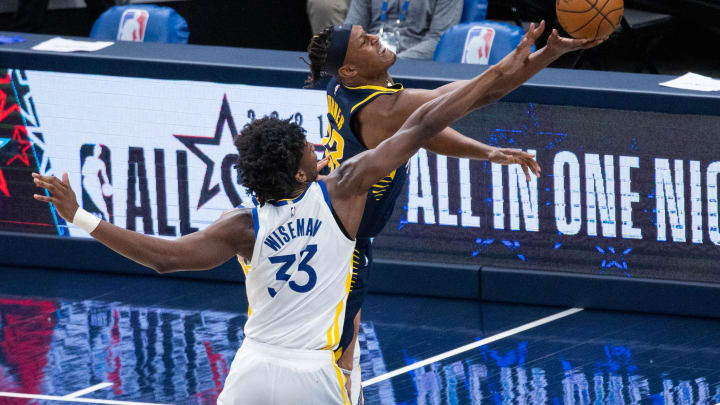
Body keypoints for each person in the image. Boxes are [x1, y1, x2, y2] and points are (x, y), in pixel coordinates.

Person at [30, 29, 551, 402]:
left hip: (252, 371)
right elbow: (425, 121)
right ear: (302, 174)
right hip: (316, 377)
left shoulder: (243, 226)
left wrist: (81, 217)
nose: (320, 147)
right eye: (309, 148)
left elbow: (165, 260)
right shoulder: (344, 193)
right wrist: (512, 66)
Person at [306, 22, 603, 403]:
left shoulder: (342, 88)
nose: (376, 38)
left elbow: (421, 133)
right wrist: (545, 54)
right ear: (348, 69)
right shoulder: (382, 108)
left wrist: (486, 151)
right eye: (365, 41)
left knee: (343, 344)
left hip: (332, 221)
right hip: (339, 242)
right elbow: (478, 96)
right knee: (338, 355)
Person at [344, 0, 462, 60]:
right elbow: (351, 32)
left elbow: (439, 39)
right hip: (367, 60)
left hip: (414, 65)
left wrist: (391, 62)